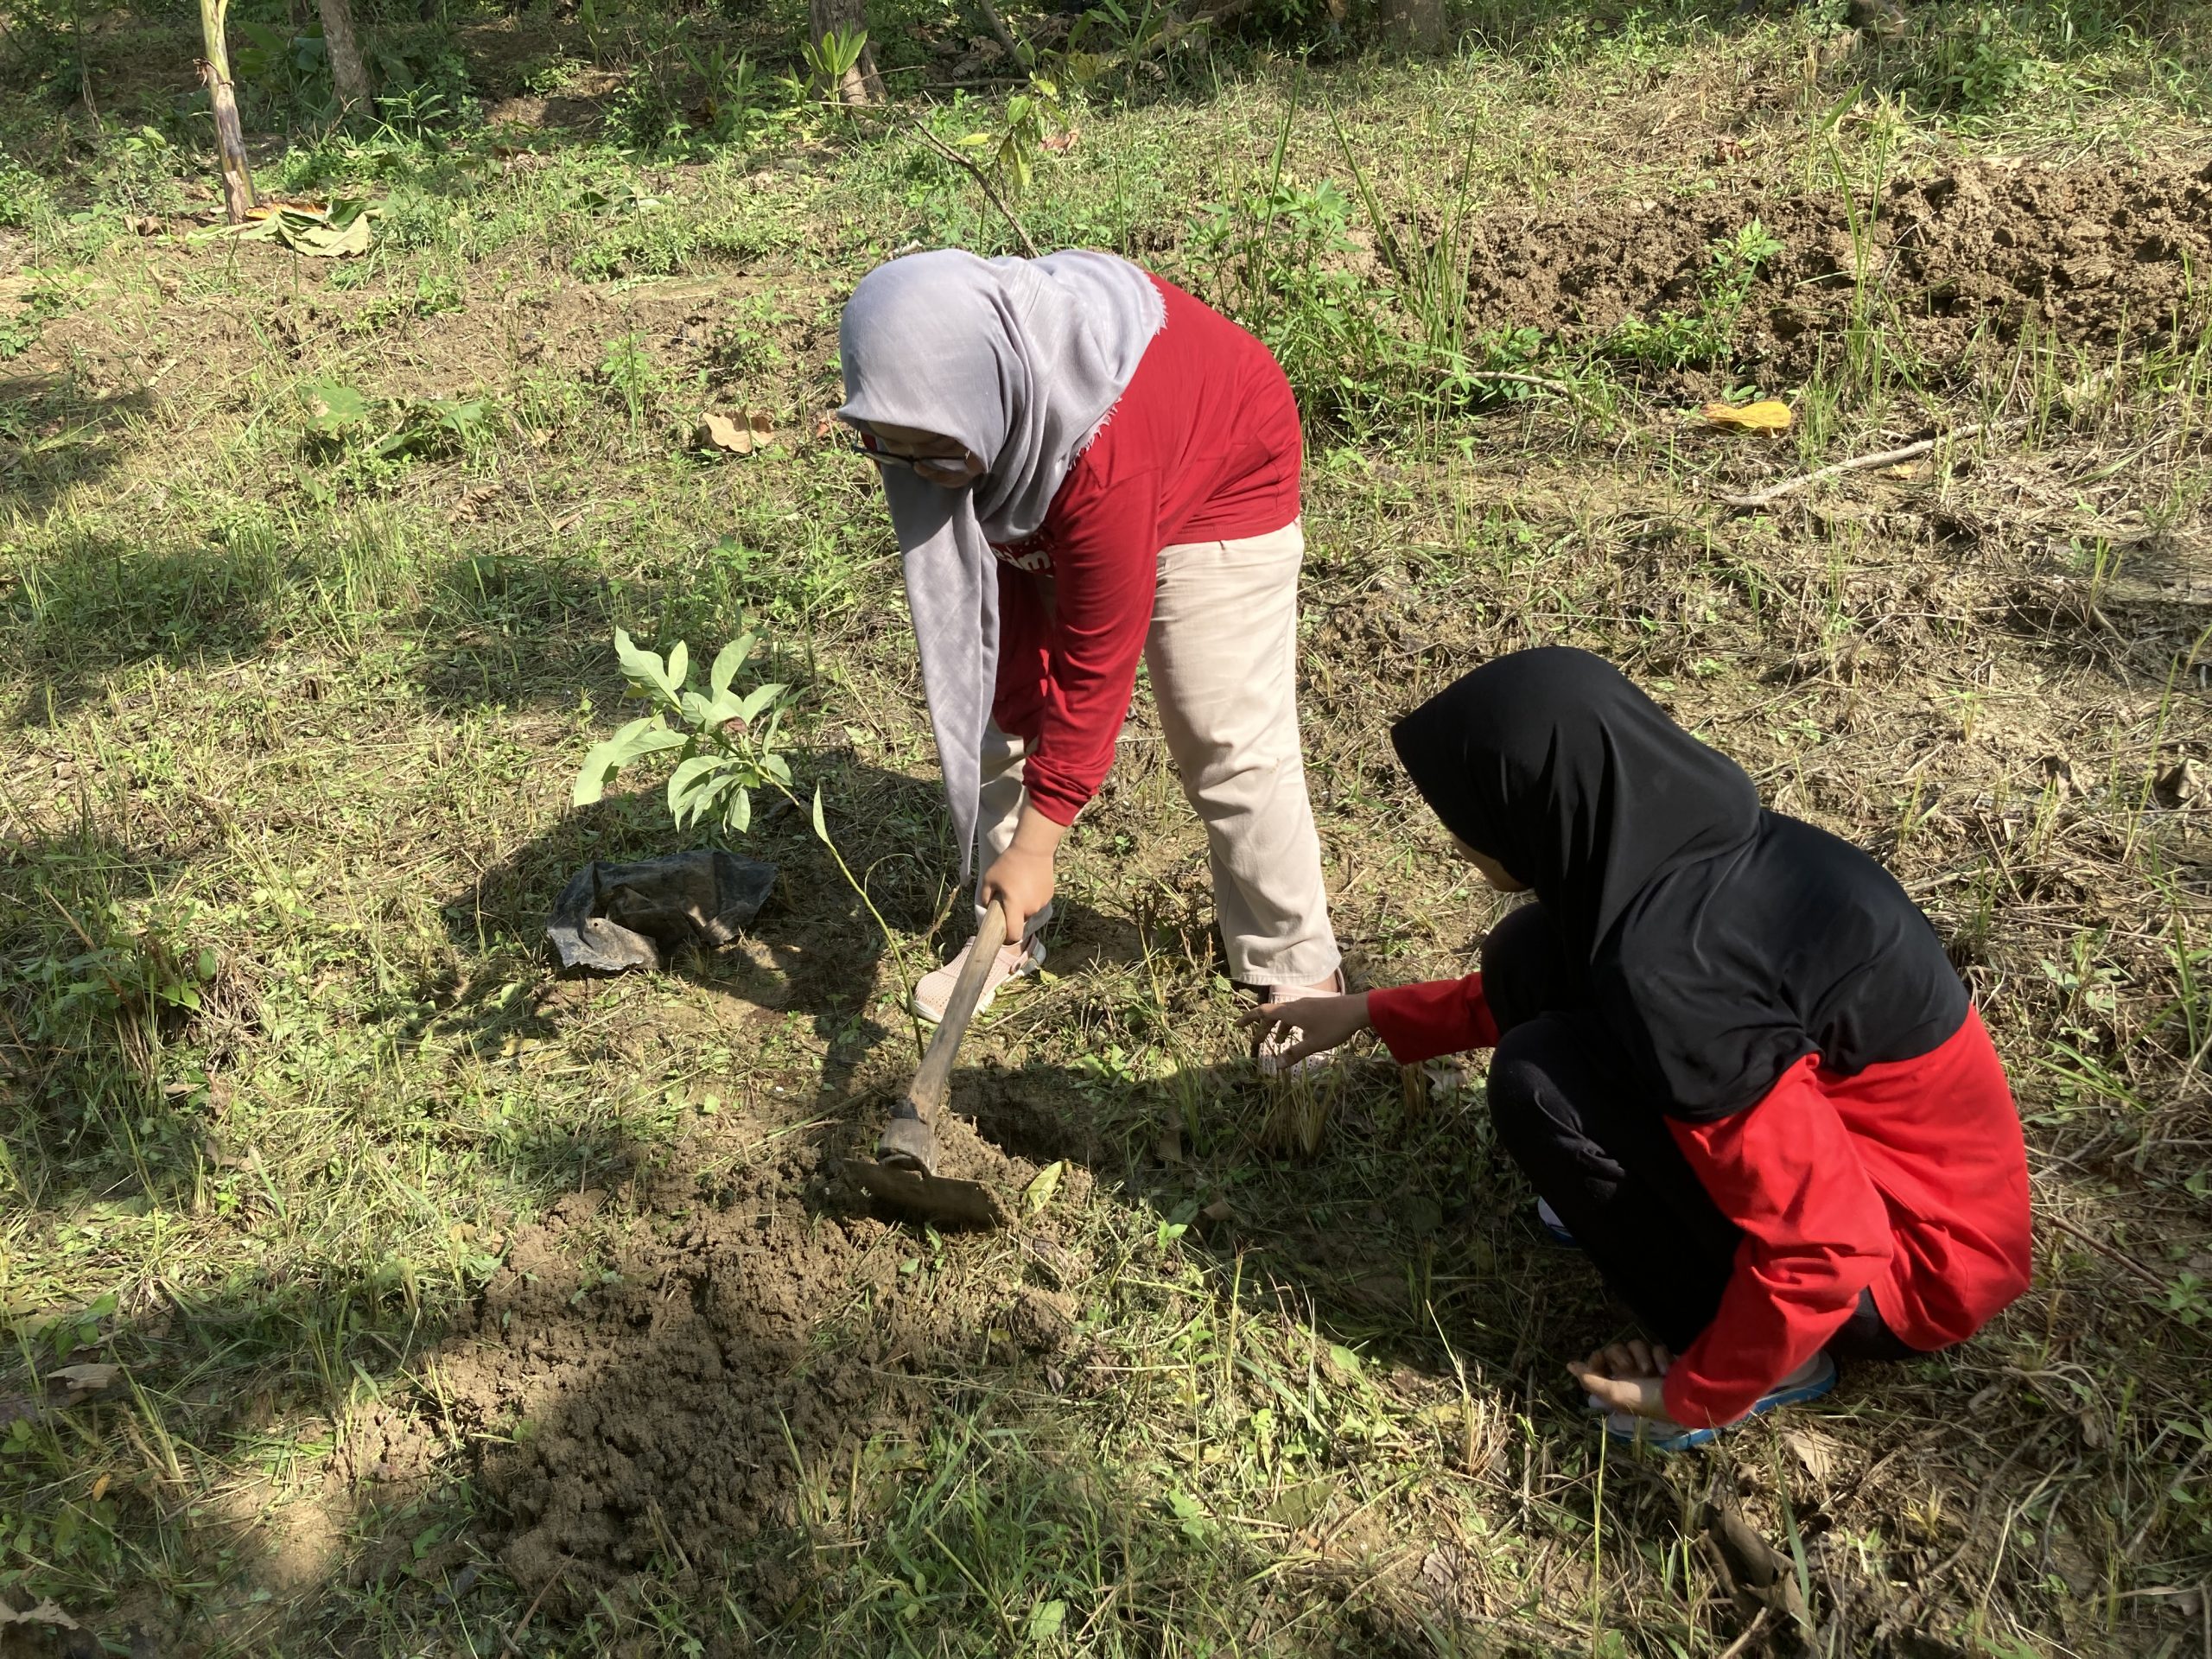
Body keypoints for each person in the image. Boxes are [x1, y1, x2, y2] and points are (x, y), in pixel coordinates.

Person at [1244, 648, 2032, 1448]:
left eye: (1462, 815)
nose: (1452, 838)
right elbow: (1558, 977)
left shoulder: (1678, 979)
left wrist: (1699, 1391)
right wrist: (1370, 1012)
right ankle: (1632, 1215)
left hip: (1906, 1277)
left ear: (1525, 811)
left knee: (1537, 1082)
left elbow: (1829, 1243)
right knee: (1531, 951)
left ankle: (1786, 1363)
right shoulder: (1697, 858)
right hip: (1928, 1201)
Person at [837, 247, 1341, 1062]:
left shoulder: (1105, 449)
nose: (925, 481)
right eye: (890, 451)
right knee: (988, 715)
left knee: (1226, 740)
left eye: (936, 453)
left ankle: (1298, 962)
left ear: (990, 391)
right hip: (1036, 471)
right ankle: (1008, 922)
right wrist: (1012, 718)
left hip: (1216, 475)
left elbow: (1095, 662)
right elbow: (995, 645)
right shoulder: (949, 414)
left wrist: (1042, 840)